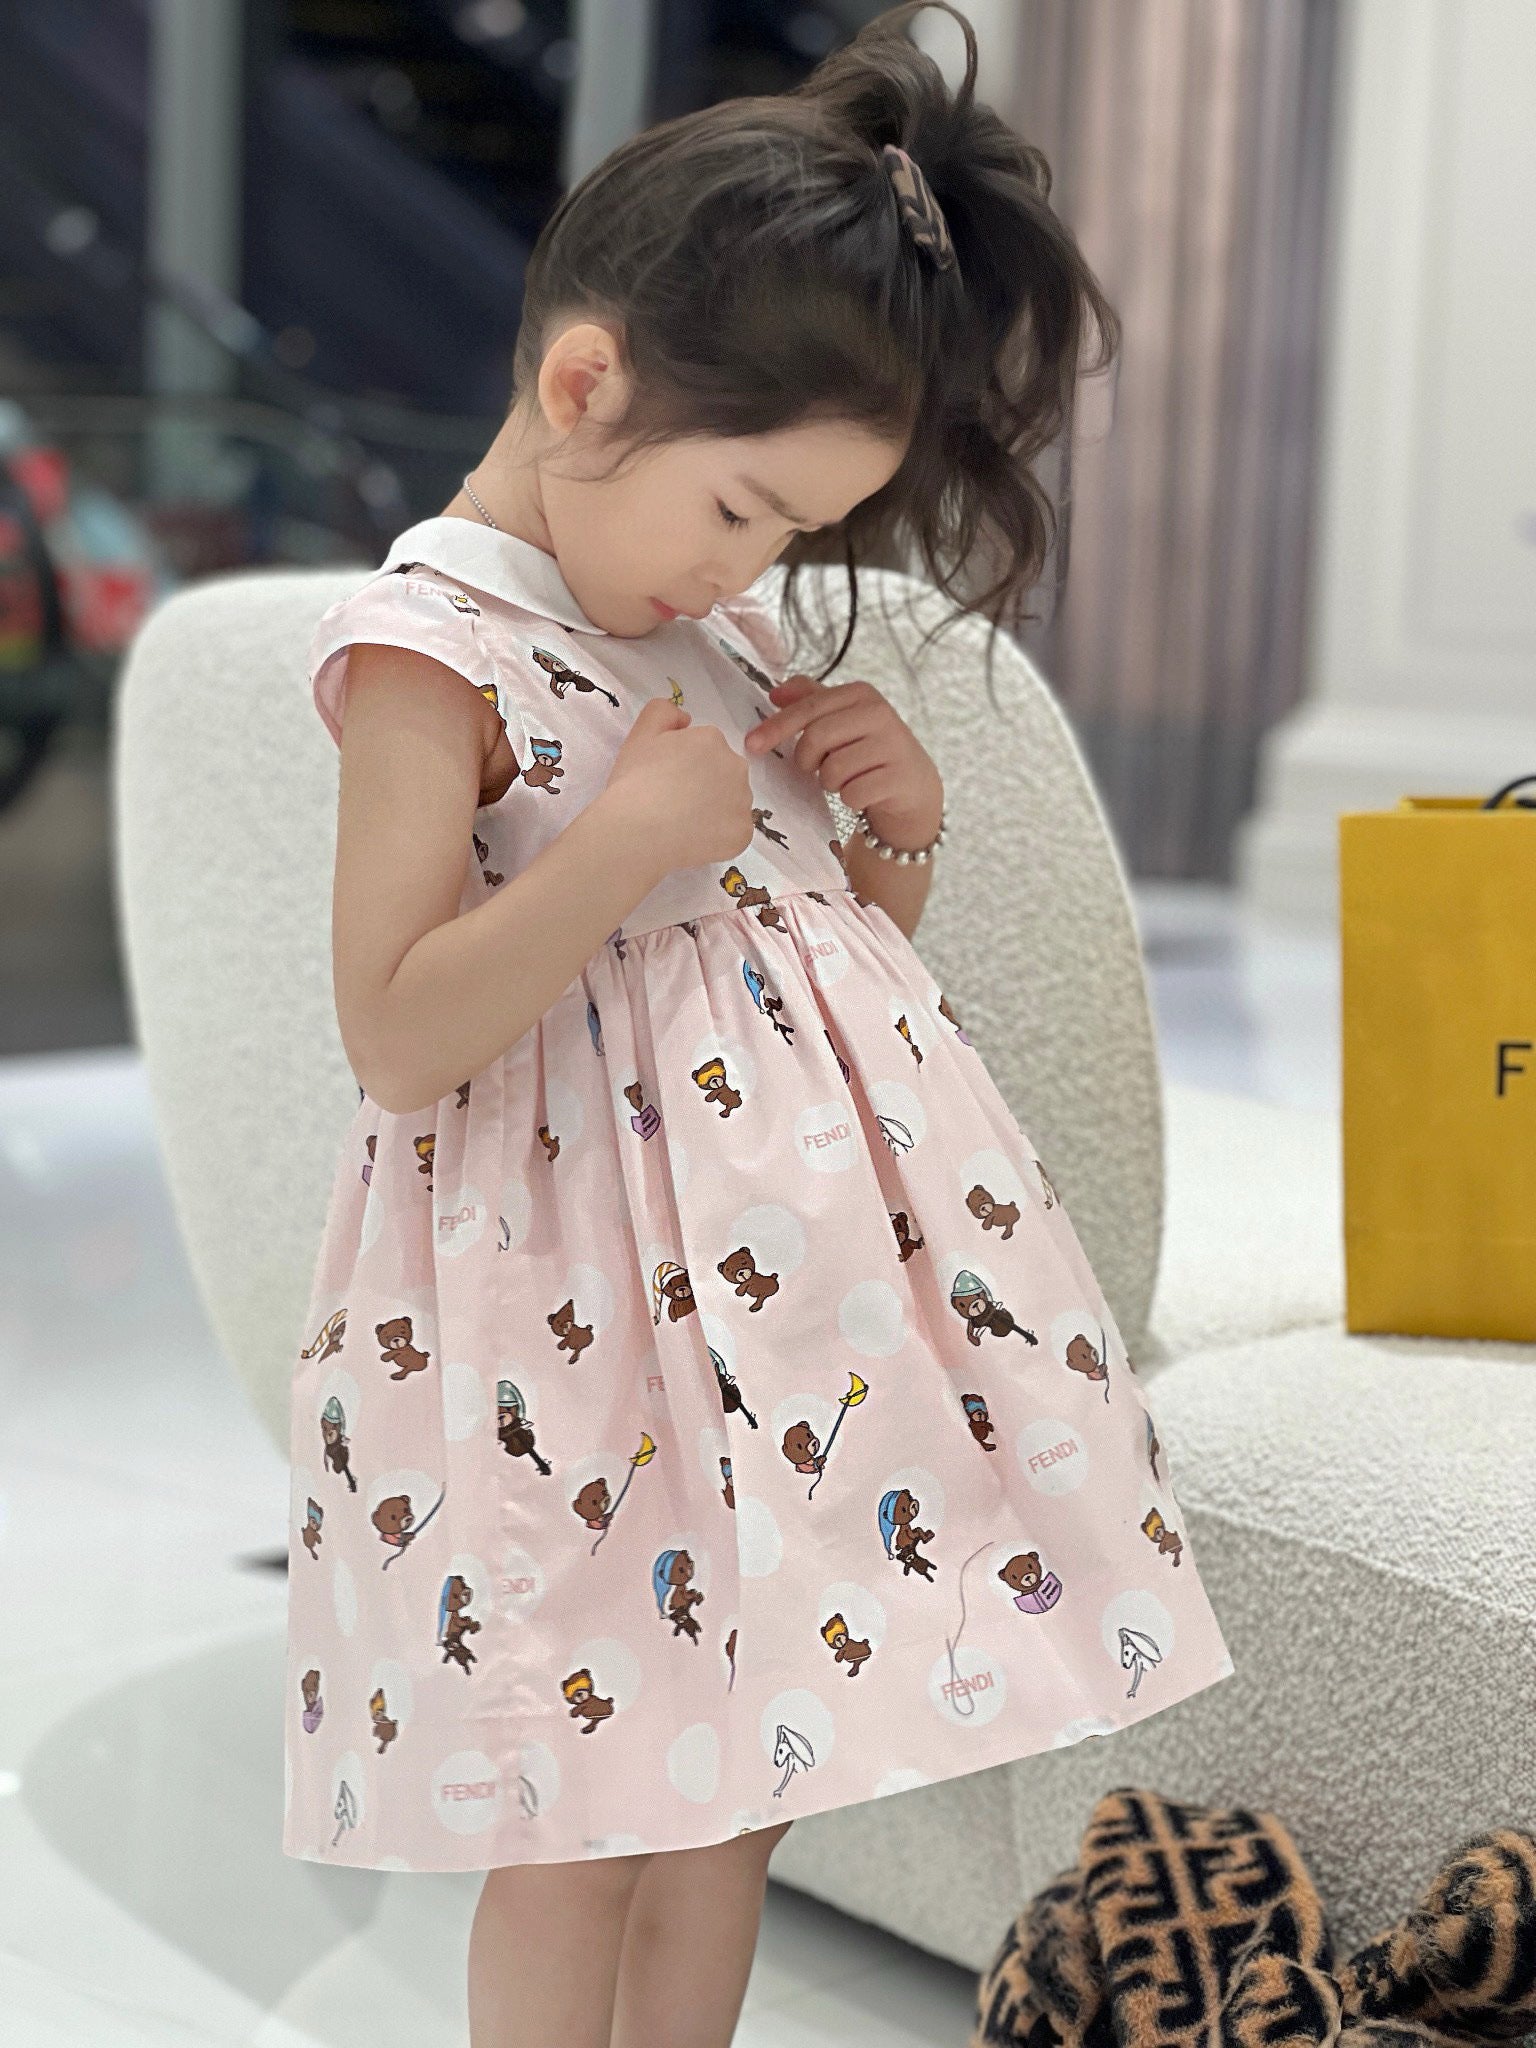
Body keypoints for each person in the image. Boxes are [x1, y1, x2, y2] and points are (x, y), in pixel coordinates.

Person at [280, 6, 1235, 2044]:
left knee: (739, 1796)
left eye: (796, 531)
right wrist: (624, 841)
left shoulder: (710, 630)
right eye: (742, 508)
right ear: (583, 385)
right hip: (572, 1338)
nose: (759, 563)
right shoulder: (431, 647)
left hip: (783, 1318)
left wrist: (896, 831)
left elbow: (794, 971)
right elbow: (397, 1029)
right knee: (585, 1817)